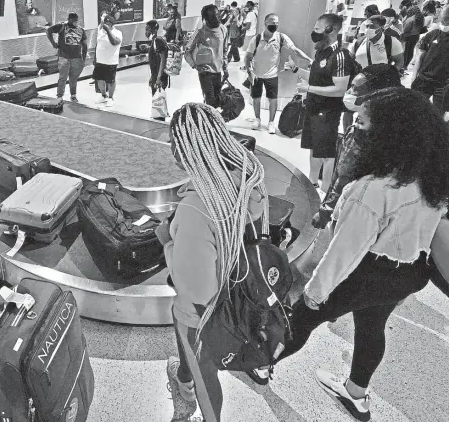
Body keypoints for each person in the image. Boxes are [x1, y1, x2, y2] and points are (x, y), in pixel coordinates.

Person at [278, 88, 449, 422]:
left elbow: (344, 251)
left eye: (362, 124)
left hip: (366, 271)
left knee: (299, 321)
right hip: (409, 272)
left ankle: (261, 364)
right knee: (372, 325)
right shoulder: (432, 174)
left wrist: (315, 292)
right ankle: (356, 394)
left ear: (389, 135)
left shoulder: (371, 189)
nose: (354, 130)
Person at [155, 102, 267, 422]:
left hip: (204, 314)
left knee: (206, 374)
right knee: (195, 364)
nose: (172, 149)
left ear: (190, 147)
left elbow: (197, 290)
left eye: (175, 142)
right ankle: (184, 378)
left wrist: (168, 242)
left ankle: (200, 404)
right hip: (242, 293)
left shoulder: (196, 208)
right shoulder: (247, 176)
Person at [312, 64, 403, 230]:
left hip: (353, 216)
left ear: (375, 94)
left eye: (355, 88)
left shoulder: (364, 131)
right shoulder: (397, 126)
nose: (349, 92)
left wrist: (324, 212)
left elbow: (343, 175)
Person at [288, 13, 355, 193]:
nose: (314, 33)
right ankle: (312, 182)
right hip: (313, 108)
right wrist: (296, 70)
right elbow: (317, 78)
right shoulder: (321, 52)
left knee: (326, 153)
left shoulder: (341, 56)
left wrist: (309, 89)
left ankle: (325, 190)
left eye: (317, 29)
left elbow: (339, 89)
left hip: (328, 112)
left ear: (330, 30)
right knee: (313, 148)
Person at [245, 13, 312, 134]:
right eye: (272, 22)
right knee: (256, 98)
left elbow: (295, 50)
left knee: (273, 99)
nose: (274, 25)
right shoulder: (256, 39)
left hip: (272, 75)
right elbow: (248, 56)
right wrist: (249, 71)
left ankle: (271, 123)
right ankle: (257, 119)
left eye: (277, 23)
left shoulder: (281, 37)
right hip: (257, 74)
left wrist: (309, 59)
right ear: (265, 23)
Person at [184, 4, 229, 108]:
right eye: (212, 16)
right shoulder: (200, 32)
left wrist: (225, 68)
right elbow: (187, 51)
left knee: (216, 101)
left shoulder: (223, 29)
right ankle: (210, 121)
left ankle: (209, 119)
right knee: (211, 101)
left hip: (218, 71)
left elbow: (224, 50)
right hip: (205, 72)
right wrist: (194, 65)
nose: (216, 18)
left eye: (217, 14)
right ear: (206, 18)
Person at [411, 4, 449, 114]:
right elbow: (420, 58)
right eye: (444, 21)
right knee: (415, 111)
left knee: (438, 114)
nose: (444, 24)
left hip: (443, 85)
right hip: (423, 80)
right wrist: (414, 77)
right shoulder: (433, 34)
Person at [46, 12, 87, 103]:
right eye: (73, 20)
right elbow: (48, 30)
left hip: (76, 58)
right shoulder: (62, 27)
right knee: (63, 77)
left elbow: (85, 45)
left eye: (77, 20)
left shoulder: (81, 30)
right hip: (64, 57)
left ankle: (73, 95)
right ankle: (59, 96)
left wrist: (83, 59)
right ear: (69, 20)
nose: (76, 21)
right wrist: (53, 43)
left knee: (73, 78)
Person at [92, 14, 122, 108]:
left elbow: (115, 43)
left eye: (108, 24)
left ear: (112, 25)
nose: (106, 25)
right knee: (99, 79)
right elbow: (98, 45)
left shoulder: (117, 33)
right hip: (100, 61)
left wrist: (108, 31)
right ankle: (103, 95)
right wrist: (95, 58)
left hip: (111, 62)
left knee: (110, 81)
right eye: (105, 23)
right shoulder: (100, 31)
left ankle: (111, 98)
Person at [145, 19, 169, 115]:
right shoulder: (154, 41)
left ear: (154, 30)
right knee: (157, 99)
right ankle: (159, 116)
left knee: (158, 98)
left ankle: (159, 118)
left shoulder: (158, 40)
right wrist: (152, 77)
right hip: (156, 74)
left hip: (160, 76)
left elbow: (163, 60)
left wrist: (158, 78)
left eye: (147, 30)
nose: (146, 32)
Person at [401, 0, 425, 70]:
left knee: (405, 52)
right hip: (416, 36)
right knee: (411, 51)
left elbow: (405, 30)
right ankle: (406, 66)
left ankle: (402, 67)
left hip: (407, 37)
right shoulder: (421, 18)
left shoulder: (410, 19)